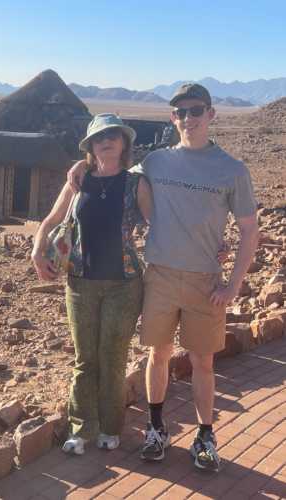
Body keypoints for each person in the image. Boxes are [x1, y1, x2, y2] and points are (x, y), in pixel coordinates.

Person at [67, 83, 259, 471]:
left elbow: (250, 230)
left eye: (196, 110)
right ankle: (157, 428)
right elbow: (112, 171)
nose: (189, 118)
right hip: (159, 277)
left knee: (203, 362)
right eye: (181, 112)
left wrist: (233, 284)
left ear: (211, 115)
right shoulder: (155, 163)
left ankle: (205, 435)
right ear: (173, 118)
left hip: (205, 280)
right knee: (158, 355)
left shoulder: (232, 170)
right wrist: (81, 166)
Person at [32, 114, 153, 455]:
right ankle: (80, 428)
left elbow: (159, 226)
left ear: (124, 143)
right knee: (85, 359)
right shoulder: (78, 181)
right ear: (90, 146)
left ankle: (111, 428)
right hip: (80, 284)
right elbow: (51, 220)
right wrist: (36, 250)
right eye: (99, 136)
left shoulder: (136, 183)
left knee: (112, 358)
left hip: (123, 284)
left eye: (113, 135)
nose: (107, 140)